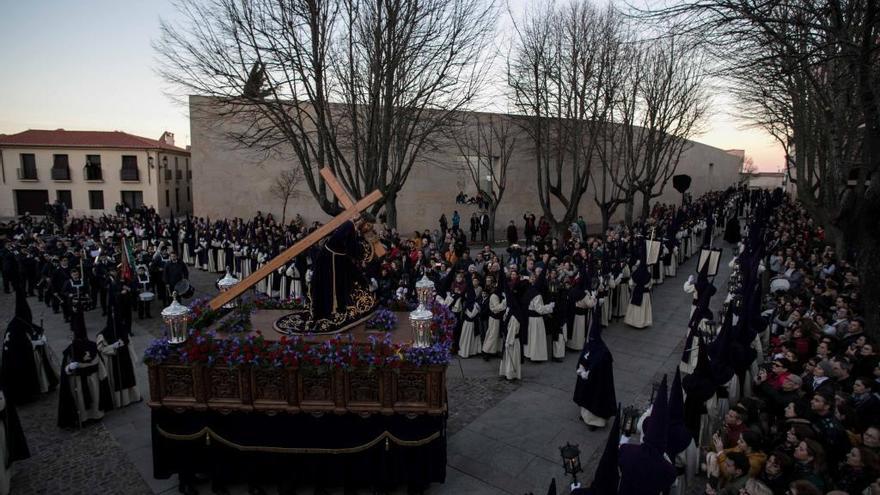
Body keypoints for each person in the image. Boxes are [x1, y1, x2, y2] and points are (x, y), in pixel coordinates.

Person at [58, 310, 113, 428]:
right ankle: (84, 417)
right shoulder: (71, 350)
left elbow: (99, 365)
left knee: (94, 397)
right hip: (79, 379)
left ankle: (95, 415)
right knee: (83, 400)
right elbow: (66, 370)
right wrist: (69, 367)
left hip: (91, 378)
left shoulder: (91, 347)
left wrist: (102, 377)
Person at [572, 306, 615, 430]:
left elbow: (602, 369)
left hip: (598, 383)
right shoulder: (590, 345)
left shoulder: (603, 353)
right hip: (587, 378)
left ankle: (596, 421)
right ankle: (585, 416)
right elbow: (583, 357)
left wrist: (589, 373)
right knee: (585, 397)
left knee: (595, 399)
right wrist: (581, 367)